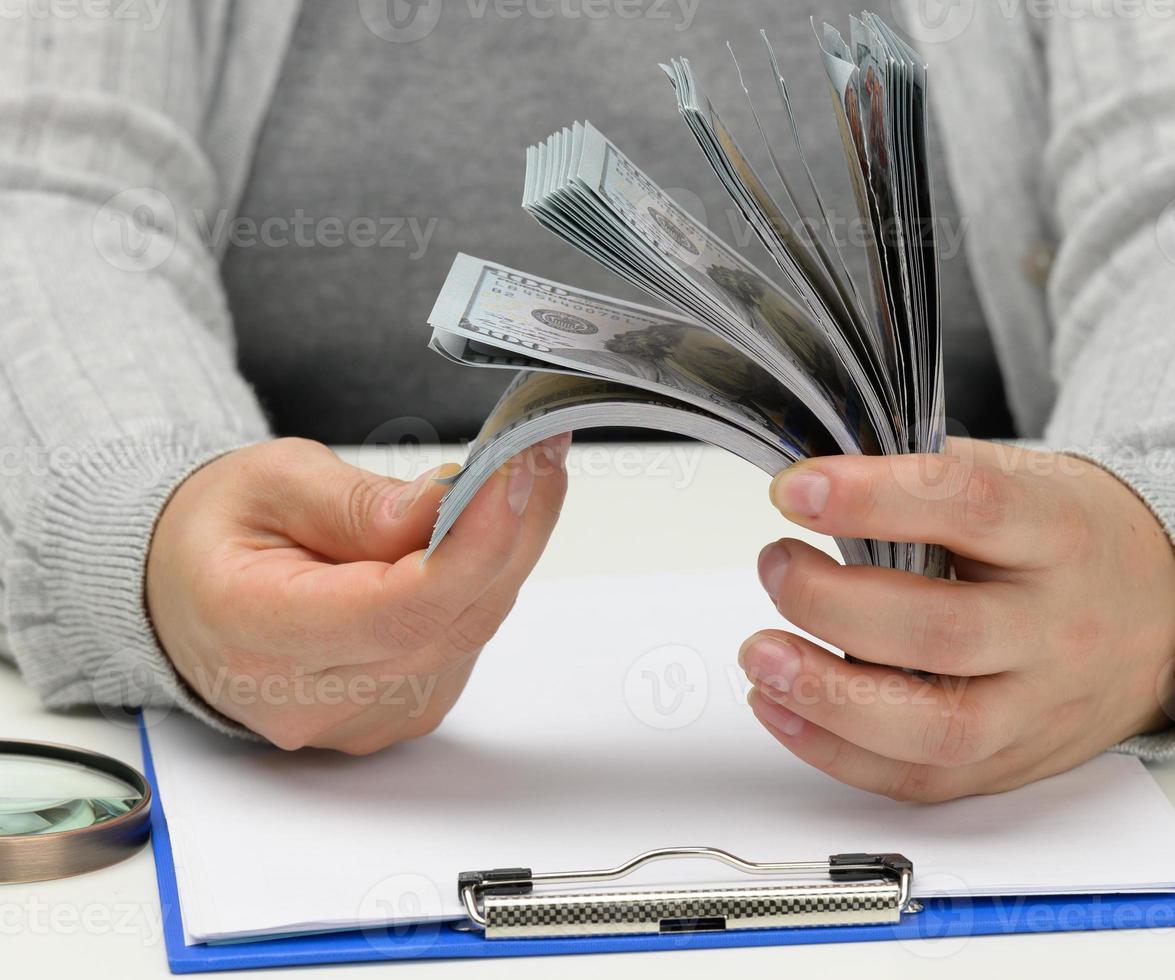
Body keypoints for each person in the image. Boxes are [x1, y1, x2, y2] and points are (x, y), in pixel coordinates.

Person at [0, 1, 1171, 799]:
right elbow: (44, 191)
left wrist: (1153, 542)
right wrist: (144, 526)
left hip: (1019, 758)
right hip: (268, 757)